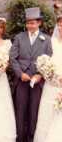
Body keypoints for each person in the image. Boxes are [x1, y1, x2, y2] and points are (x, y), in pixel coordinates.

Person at [10, 7, 52, 142]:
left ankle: (31, 139)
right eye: (28, 23)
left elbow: (49, 59)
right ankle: (19, 139)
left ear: (39, 23)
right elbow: (12, 58)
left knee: (34, 113)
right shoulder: (19, 37)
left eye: (33, 23)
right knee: (20, 112)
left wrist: (40, 75)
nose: (30, 25)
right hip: (22, 80)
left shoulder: (46, 39)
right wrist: (19, 73)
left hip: (37, 82)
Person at [34, 14, 62, 142]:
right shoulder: (51, 42)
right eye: (60, 24)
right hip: (51, 84)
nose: (61, 27)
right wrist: (47, 73)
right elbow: (44, 61)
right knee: (47, 115)